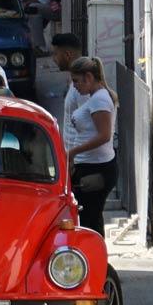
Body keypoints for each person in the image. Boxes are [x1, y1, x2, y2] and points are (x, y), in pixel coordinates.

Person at [62, 56, 117, 231]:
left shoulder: (99, 100)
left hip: (95, 169)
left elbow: (104, 135)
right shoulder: (96, 97)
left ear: (88, 77)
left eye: (76, 81)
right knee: (88, 216)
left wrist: (73, 152)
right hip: (89, 166)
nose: (75, 86)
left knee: (90, 218)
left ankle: (96, 256)